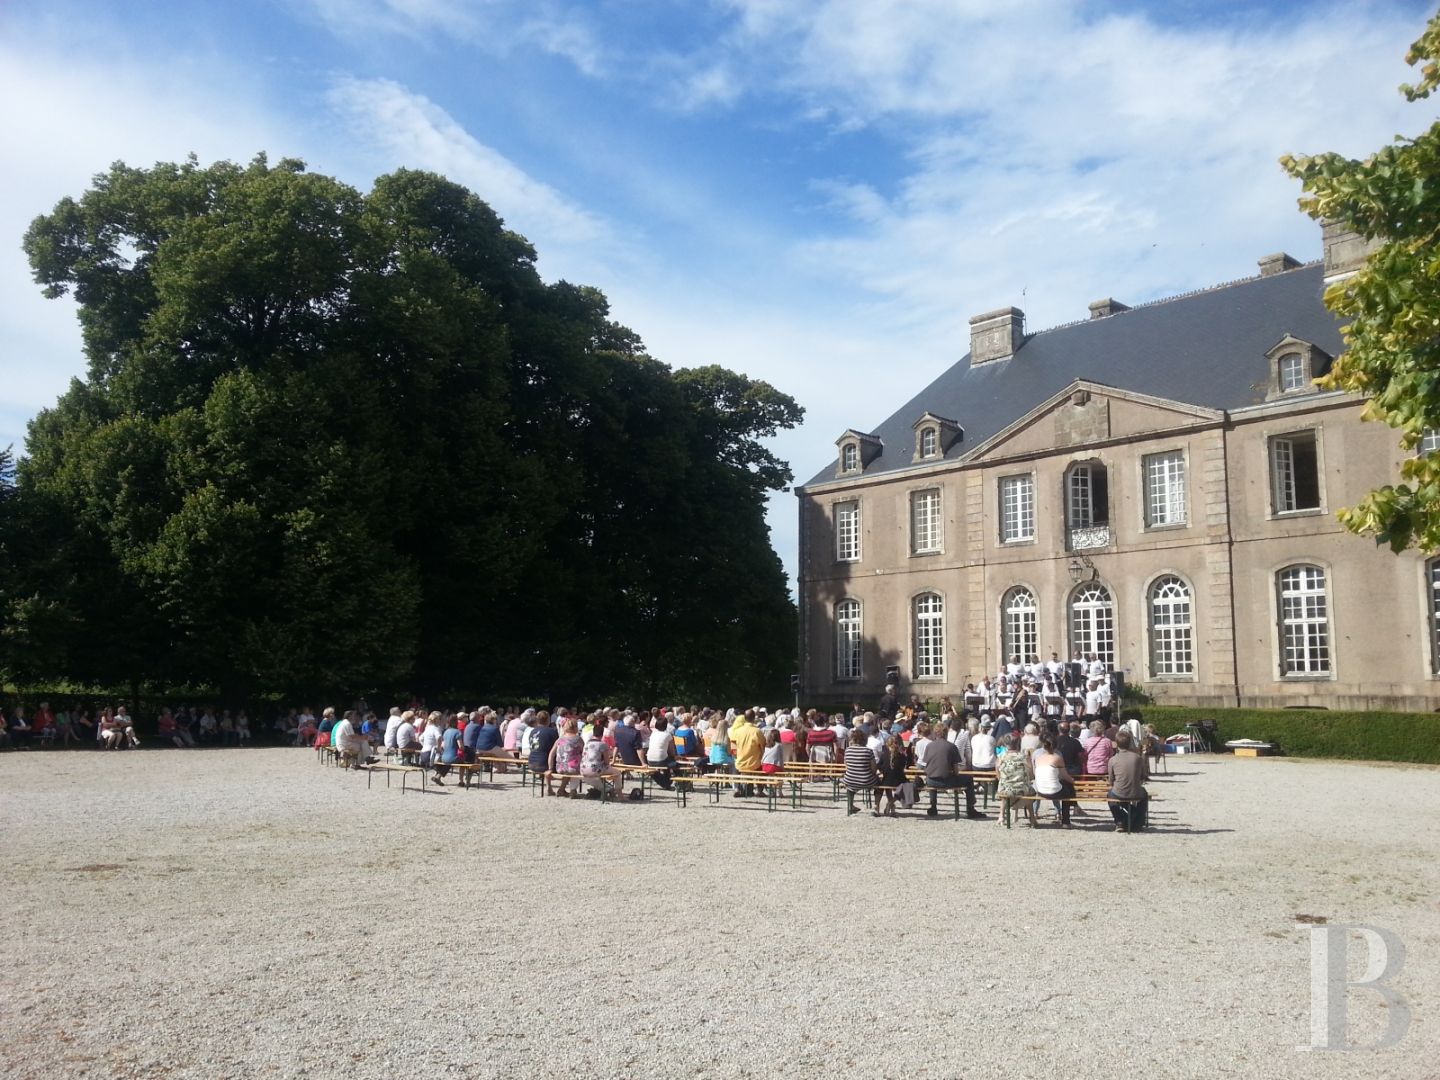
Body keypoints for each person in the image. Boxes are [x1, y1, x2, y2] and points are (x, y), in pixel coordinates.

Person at [923, 722, 982, 819]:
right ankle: (970, 808)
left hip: (931, 780)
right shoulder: (951, 746)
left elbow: (926, 764)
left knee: (933, 777)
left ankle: (933, 807)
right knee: (969, 779)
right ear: (946, 733)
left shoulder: (929, 746)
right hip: (947, 780)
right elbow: (956, 770)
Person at [1107, 729, 1150, 830]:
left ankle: (1120, 820)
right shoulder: (1138, 758)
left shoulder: (1113, 759)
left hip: (1118, 791)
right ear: (1130, 743)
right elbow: (1143, 776)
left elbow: (1111, 779)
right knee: (1144, 795)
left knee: (1110, 795)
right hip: (1136, 791)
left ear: (1117, 744)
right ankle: (1139, 822)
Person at [1032, 736, 1076, 826]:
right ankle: (1066, 820)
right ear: (1056, 746)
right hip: (1054, 791)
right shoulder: (1057, 758)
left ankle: (1074, 807)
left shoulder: (1038, 758)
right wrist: (1072, 781)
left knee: (1065, 786)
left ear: (1043, 746)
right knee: (1067, 789)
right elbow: (1065, 776)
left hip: (1040, 790)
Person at [995, 733, 1036, 829]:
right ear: (1018, 743)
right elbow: (1031, 775)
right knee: (1030, 791)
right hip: (1022, 789)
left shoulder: (1000, 757)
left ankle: (1001, 816)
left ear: (1005, 744)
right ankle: (1032, 818)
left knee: (1005, 786)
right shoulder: (1025, 757)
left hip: (1005, 789)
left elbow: (998, 776)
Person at [729, 710, 766, 797]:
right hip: (754, 763)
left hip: (740, 763)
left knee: (736, 767)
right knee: (761, 768)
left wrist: (737, 756)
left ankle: (737, 788)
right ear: (754, 718)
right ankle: (759, 790)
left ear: (744, 718)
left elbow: (733, 747)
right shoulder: (757, 731)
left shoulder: (737, 731)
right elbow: (763, 745)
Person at [843, 728, 879, 816]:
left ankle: (850, 805)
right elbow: (874, 768)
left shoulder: (847, 750)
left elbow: (846, 766)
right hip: (866, 780)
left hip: (850, 779)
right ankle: (876, 807)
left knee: (850, 787)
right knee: (879, 786)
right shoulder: (868, 751)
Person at [579, 729, 624, 798]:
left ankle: (606, 789)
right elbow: (607, 761)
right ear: (602, 734)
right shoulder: (602, 745)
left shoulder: (587, 744)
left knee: (599, 773)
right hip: (595, 769)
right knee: (617, 773)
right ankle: (620, 796)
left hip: (583, 769)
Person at [877, 735, 916, 814]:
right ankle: (891, 804)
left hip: (887, 780)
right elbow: (903, 768)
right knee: (906, 785)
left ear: (887, 744)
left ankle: (891, 804)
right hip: (899, 780)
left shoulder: (884, 755)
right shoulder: (902, 756)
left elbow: (879, 767)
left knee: (887, 785)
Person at [548, 718, 585, 797]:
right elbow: (584, 753)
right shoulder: (578, 739)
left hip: (560, 768)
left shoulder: (560, 739)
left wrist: (550, 768)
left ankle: (561, 789)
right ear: (576, 728)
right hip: (573, 768)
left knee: (569, 768)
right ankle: (573, 790)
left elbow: (551, 754)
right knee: (576, 767)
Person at [645, 715, 676, 790]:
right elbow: (672, 751)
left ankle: (666, 782)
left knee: (666, 760)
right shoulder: (668, 735)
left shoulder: (653, 734)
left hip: (649, 759)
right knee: (672, 762)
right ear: (666, 725)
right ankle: (668, 782)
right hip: (661, 759)